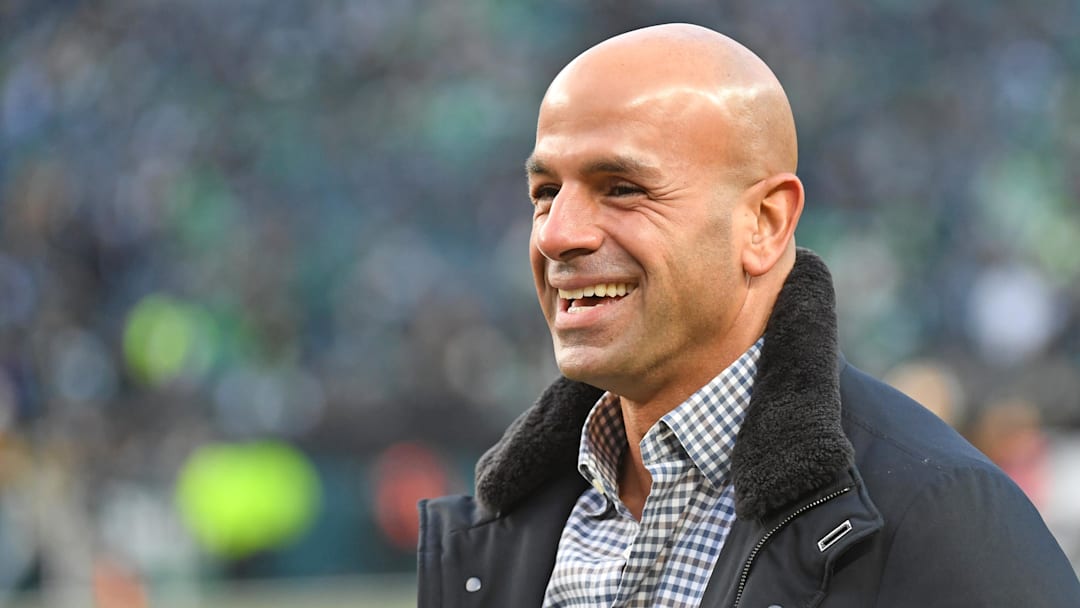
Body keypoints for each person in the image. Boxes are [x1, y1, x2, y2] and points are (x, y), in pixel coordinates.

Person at [417, 23, 1080, 607]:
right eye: (545, 192)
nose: (558, 234)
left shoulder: (937, 518)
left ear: (763, 224)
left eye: (621, 189)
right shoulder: (498, 535)